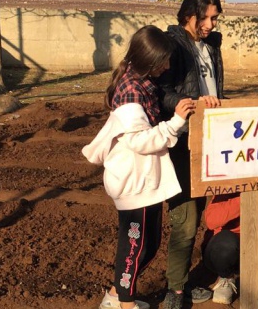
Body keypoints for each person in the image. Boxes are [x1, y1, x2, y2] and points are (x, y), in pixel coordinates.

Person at [82, 26, 197, 309]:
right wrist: (176, 122)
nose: (168, 67)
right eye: (163, 62)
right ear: (149, 61)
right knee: (135, 247)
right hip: (136, 182)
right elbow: (141, 142)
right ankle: (125, 304)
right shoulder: (132, 92)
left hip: (143, 180)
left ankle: (115, 296)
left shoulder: (140, 81)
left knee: (148, 242)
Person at [156, 0, 224, 308]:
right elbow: (161, 91)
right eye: (206, 17)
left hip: (213, 138)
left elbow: (214, 87)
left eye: (214, 18)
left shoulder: (212, 45)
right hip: (183, 141)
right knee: (184, 216)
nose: (211, 24)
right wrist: (190, 103)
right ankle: (175, 290)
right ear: (188, 14)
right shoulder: (173, 44)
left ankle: (191, 279)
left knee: (209, 212)